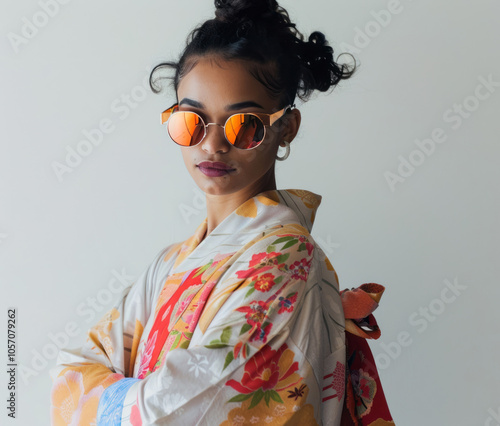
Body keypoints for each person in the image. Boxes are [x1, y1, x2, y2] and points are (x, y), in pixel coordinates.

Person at [49, 0, 394, 424]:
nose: (212, 145)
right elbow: (69, 370)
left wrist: (117, 394)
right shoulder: (170, 264)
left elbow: (187, 410)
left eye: (244, 124)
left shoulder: (286, 260)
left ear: (286, 127)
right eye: (191, 121)